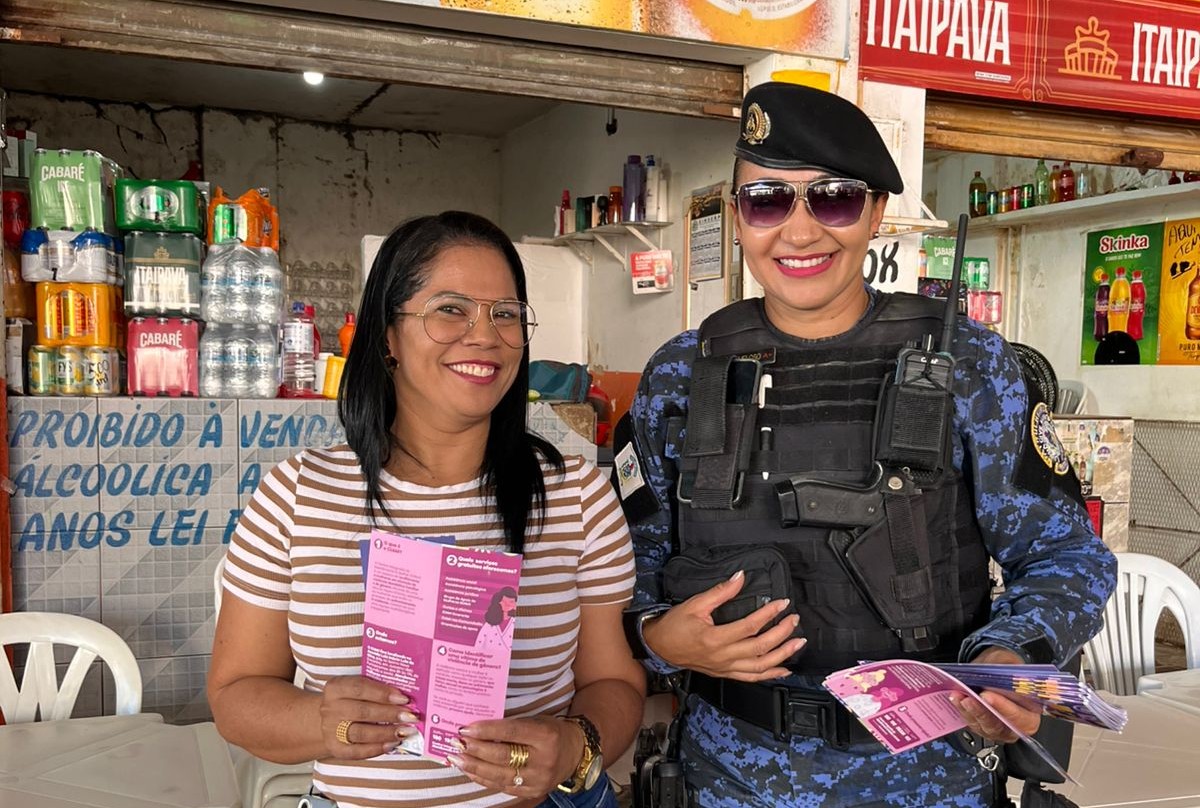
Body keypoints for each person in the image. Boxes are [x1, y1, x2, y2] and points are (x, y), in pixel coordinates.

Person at [613, 83, 1117, 807]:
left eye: (835, 199)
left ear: (877, 212)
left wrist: (1009, 658)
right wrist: (659, 638)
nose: (799, 231)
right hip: (730, 778)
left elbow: (1067, 556)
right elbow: (622, 570)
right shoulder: (678, 374)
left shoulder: (969, 365)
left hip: (931, 780)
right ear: (738, 218)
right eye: (767, 201)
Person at [209, 211, 646, 808]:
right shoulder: (296, 495)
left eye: (506, 314)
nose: (485, 335)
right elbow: (236, 694)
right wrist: (321, 722)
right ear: (388, 336)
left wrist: (576, 746)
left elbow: (614, 681)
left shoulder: (579, 497)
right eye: (450, 310)